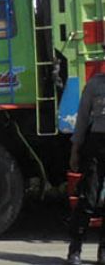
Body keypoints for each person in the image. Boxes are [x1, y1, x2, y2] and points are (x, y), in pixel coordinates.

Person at [68, 73, 105, 265]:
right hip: (97, 146)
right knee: (87, 200)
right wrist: (75, 150)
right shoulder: (94, 85)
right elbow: (82, 118)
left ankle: (103, 253)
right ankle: (75, 250)